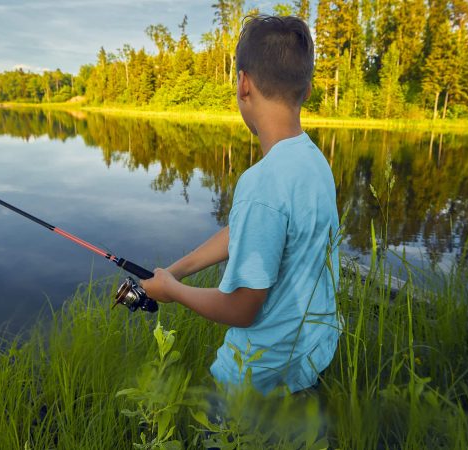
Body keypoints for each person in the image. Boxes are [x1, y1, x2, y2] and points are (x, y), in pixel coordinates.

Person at [140, 14, 340, 395]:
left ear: (243, 84)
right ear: (308, 90)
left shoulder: (261, 184)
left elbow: (241, 309)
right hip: (308, 359)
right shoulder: (314, 163)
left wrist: (173, 292)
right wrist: (177, 271)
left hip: (255, 378)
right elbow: (253, 230)